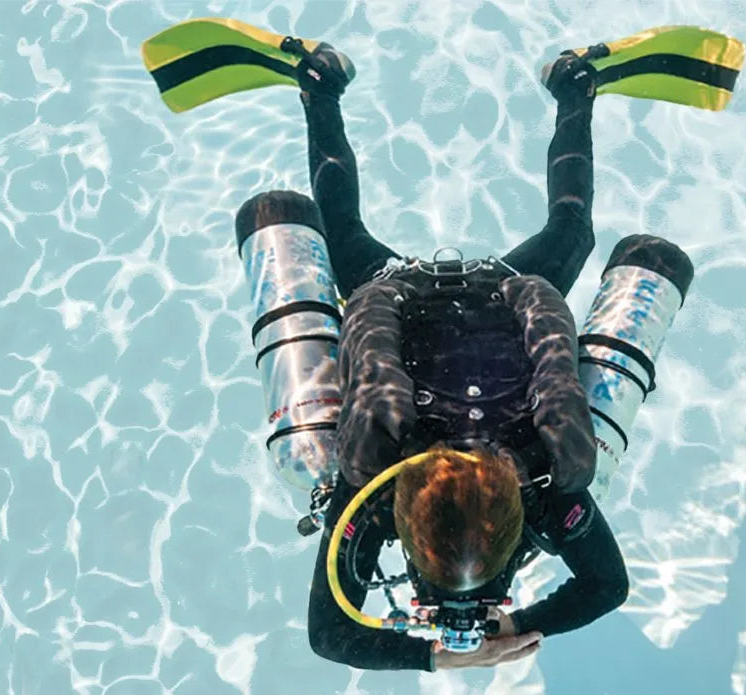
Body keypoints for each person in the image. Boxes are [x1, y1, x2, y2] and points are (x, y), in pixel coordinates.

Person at [259, 40, 632, 672]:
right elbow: (330, 637)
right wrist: (457, 648)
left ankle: (575, 84)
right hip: (457, 292)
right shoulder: (376, 487)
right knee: (340, 229)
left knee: (572, 231)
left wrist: (474, 644)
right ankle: (320, 84)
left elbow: (331, 635)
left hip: (455, 293)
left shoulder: (531, 480)